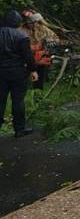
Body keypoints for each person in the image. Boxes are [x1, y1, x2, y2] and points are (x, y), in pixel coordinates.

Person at [0, 10, 38, 138]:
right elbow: (28, 56)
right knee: (18, 101)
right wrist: (33, 70)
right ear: (17, 22)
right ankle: (19, 129)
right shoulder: (21, 36)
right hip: (17, 73)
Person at [19, 10, 59, 89]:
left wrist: (51, 42)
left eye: (35, 22)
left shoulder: (42, 28)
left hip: (40, 57)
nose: (34, 24)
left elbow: (56, 38)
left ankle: (38, 90)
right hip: (26, 58)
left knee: (40, 76)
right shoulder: (20, 31)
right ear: (26, 22)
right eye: (31, 22)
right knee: (23, 79)